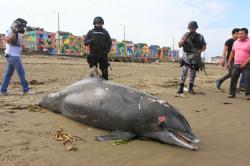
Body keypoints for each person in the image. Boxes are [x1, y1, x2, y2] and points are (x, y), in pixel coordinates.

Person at [0, 18, 32, 95]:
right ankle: (26, 90)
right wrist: (15, 32)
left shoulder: (22, 32)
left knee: (8, 73)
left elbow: (24, 45)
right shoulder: (10, 30)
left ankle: (2, 90)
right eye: (22, 26)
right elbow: (7, 41)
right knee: (21, 72)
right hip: (11, 55)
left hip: (14, 55)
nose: (23, 28)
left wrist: (27, 45)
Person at [177, 21, 206, 94]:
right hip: (186, 55)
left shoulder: (200, 36)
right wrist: (185, 38)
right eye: (190, 28)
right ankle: (181, 86)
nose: (192, 29)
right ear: (188, 28)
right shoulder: (185, 35)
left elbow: (204, 46)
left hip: (195, 55)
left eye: (193, 28)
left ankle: (190, 87)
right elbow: (180, 45)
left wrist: (200, 51)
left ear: (196, 28)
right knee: (184, 71)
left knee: (193, 72)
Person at [227, 28, 250, 99]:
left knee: (247, 79)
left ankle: (248, 94)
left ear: (246, 34)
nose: (239, 35)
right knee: (233, 78)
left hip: (247, 64)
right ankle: (232, 93)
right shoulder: (236, 42)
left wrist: (245, 63)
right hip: (236, 63)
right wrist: (229, 62)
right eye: (239, 34)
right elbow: (232, 52)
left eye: (241, 34)